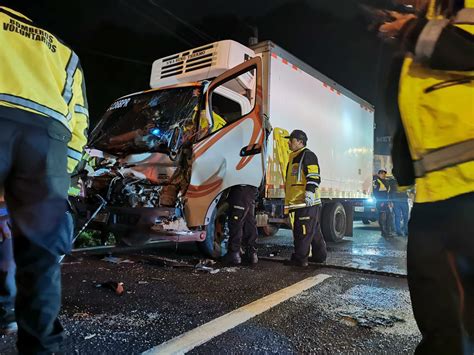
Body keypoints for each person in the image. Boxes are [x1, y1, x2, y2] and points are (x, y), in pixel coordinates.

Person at [379, 0, 474, 353]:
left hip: (466, 190)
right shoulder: (428, 21)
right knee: (441, 324)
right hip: (435, 194)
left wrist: (411, 31)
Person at [0, 4, 89, 353]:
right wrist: (57, 174)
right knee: (40, 256)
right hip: (47, 140)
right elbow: (78, 123)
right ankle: (41, 347)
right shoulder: (61, 52)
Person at [283, 129, 327, 267]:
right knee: (312, 231)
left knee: (302, 231)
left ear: (300, 142)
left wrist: (310, 192)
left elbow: (314, 175)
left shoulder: (307, 155)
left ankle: (300, 259)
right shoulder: (294, 156)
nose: (289, 142)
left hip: (306, 202)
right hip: (300, 202)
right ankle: (320, 256)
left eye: (292, 140)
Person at [224, 185, 259, 265]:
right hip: (251, 188)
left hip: (240, 187)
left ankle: (234, 254)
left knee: (236, 221)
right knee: (249, 220)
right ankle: (252, 254)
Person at [372, 169, 394, 237]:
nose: (383, 174)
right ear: (379, 174)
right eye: (381, 173)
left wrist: (390, 201)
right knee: (382, 218)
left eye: (384, 173)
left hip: (386, 202)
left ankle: (388, 232)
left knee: (389, 217)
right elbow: (375, 193)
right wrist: (381, 201)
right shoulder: (376, 182)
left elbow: (388, 193)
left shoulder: (386, 182)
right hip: (381, 202)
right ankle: (383, 232)